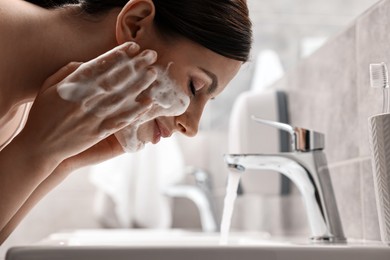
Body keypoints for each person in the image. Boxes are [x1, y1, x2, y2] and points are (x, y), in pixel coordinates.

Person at [0, 0, 252, 243]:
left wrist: (61, 160)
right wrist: (36, 148)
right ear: (135, 23)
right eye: (194, 87)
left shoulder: (22, 99)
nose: (191, 128)